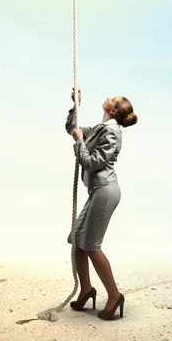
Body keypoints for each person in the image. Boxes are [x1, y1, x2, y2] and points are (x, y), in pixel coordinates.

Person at [65, 87, 138, 320]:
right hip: (97, 191)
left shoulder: (112, 133)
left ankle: (115, 295)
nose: (107, 97)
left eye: (111, 99)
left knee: (91, 245)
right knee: (77, 241)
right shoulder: (100, 128)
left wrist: (79, 143)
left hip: (105, 191)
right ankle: (86, 290)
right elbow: (72, 130)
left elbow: (91, 162)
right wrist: (76, 106)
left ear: (113, 109)